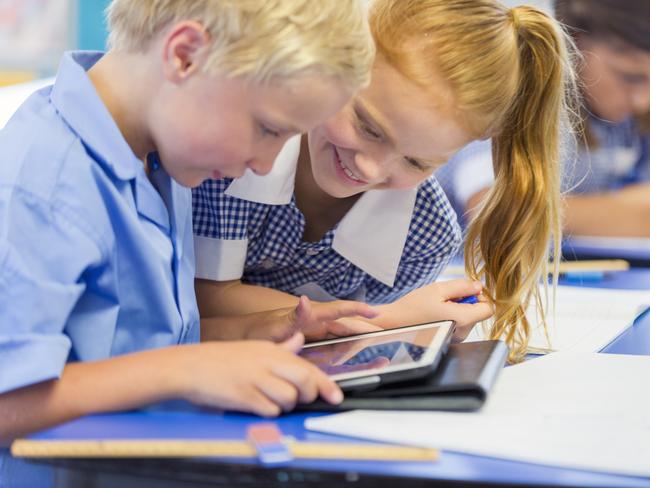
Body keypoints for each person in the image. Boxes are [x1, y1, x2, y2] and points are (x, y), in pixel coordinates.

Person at [0, 0, 376, 483]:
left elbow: (134, 347)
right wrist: (189, 369)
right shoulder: (42, 187)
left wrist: (260, 334)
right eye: (267, 129)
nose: (265, 164)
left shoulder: (159, 154)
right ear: (184, 56)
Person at [193, 0, 578, 363]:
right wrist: (386, 320)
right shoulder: (233, 158)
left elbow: (350, 361)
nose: (371, 169)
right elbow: (201, 302)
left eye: (415, 161)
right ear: (342, 59)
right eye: (369, 127)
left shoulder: (425, 234)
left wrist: (393, 329)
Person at [437, 0, 650, 237]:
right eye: (630, 78)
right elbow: (490, 207)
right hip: (457, 264)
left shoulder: (631, 119)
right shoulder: (525, 84)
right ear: (576, 43)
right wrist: (628, 213)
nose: (643, 101)